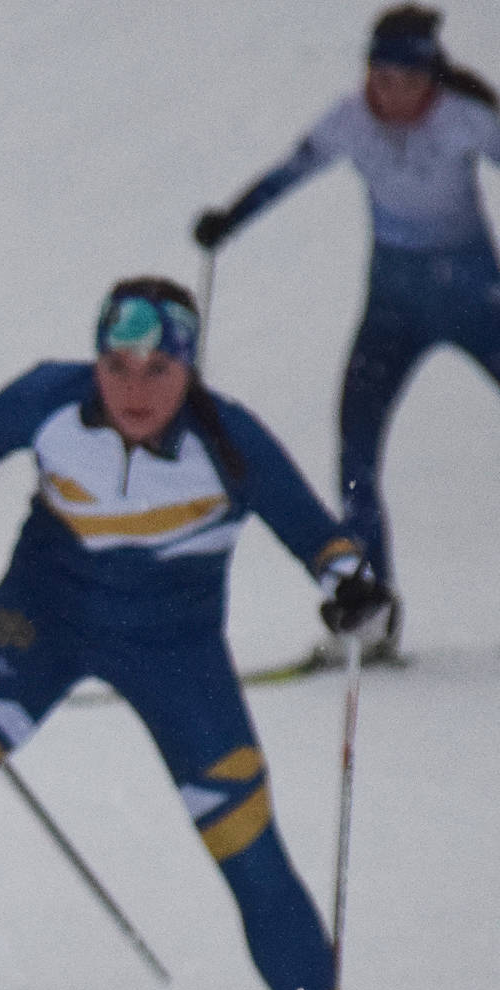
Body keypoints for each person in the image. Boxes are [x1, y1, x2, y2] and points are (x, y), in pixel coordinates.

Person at [0, 276, 446, 990]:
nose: (133, 390)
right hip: (40, 620)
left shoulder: (229, 440)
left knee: (248, 846)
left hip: (177, 655)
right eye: (117, 365)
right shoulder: (50, 399)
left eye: (157, 370)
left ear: (189, 371)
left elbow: (321, 538)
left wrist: (353, 589)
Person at [194, 5, 500, 666]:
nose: (391, 90)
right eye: (380, 74)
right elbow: (288, 174)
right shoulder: (349, 122)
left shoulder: (464, 118)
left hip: (477, 297)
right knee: (356, 445)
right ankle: (373, 610)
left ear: (430, 77)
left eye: (406, 77)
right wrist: (230, 219)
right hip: (394, 306)